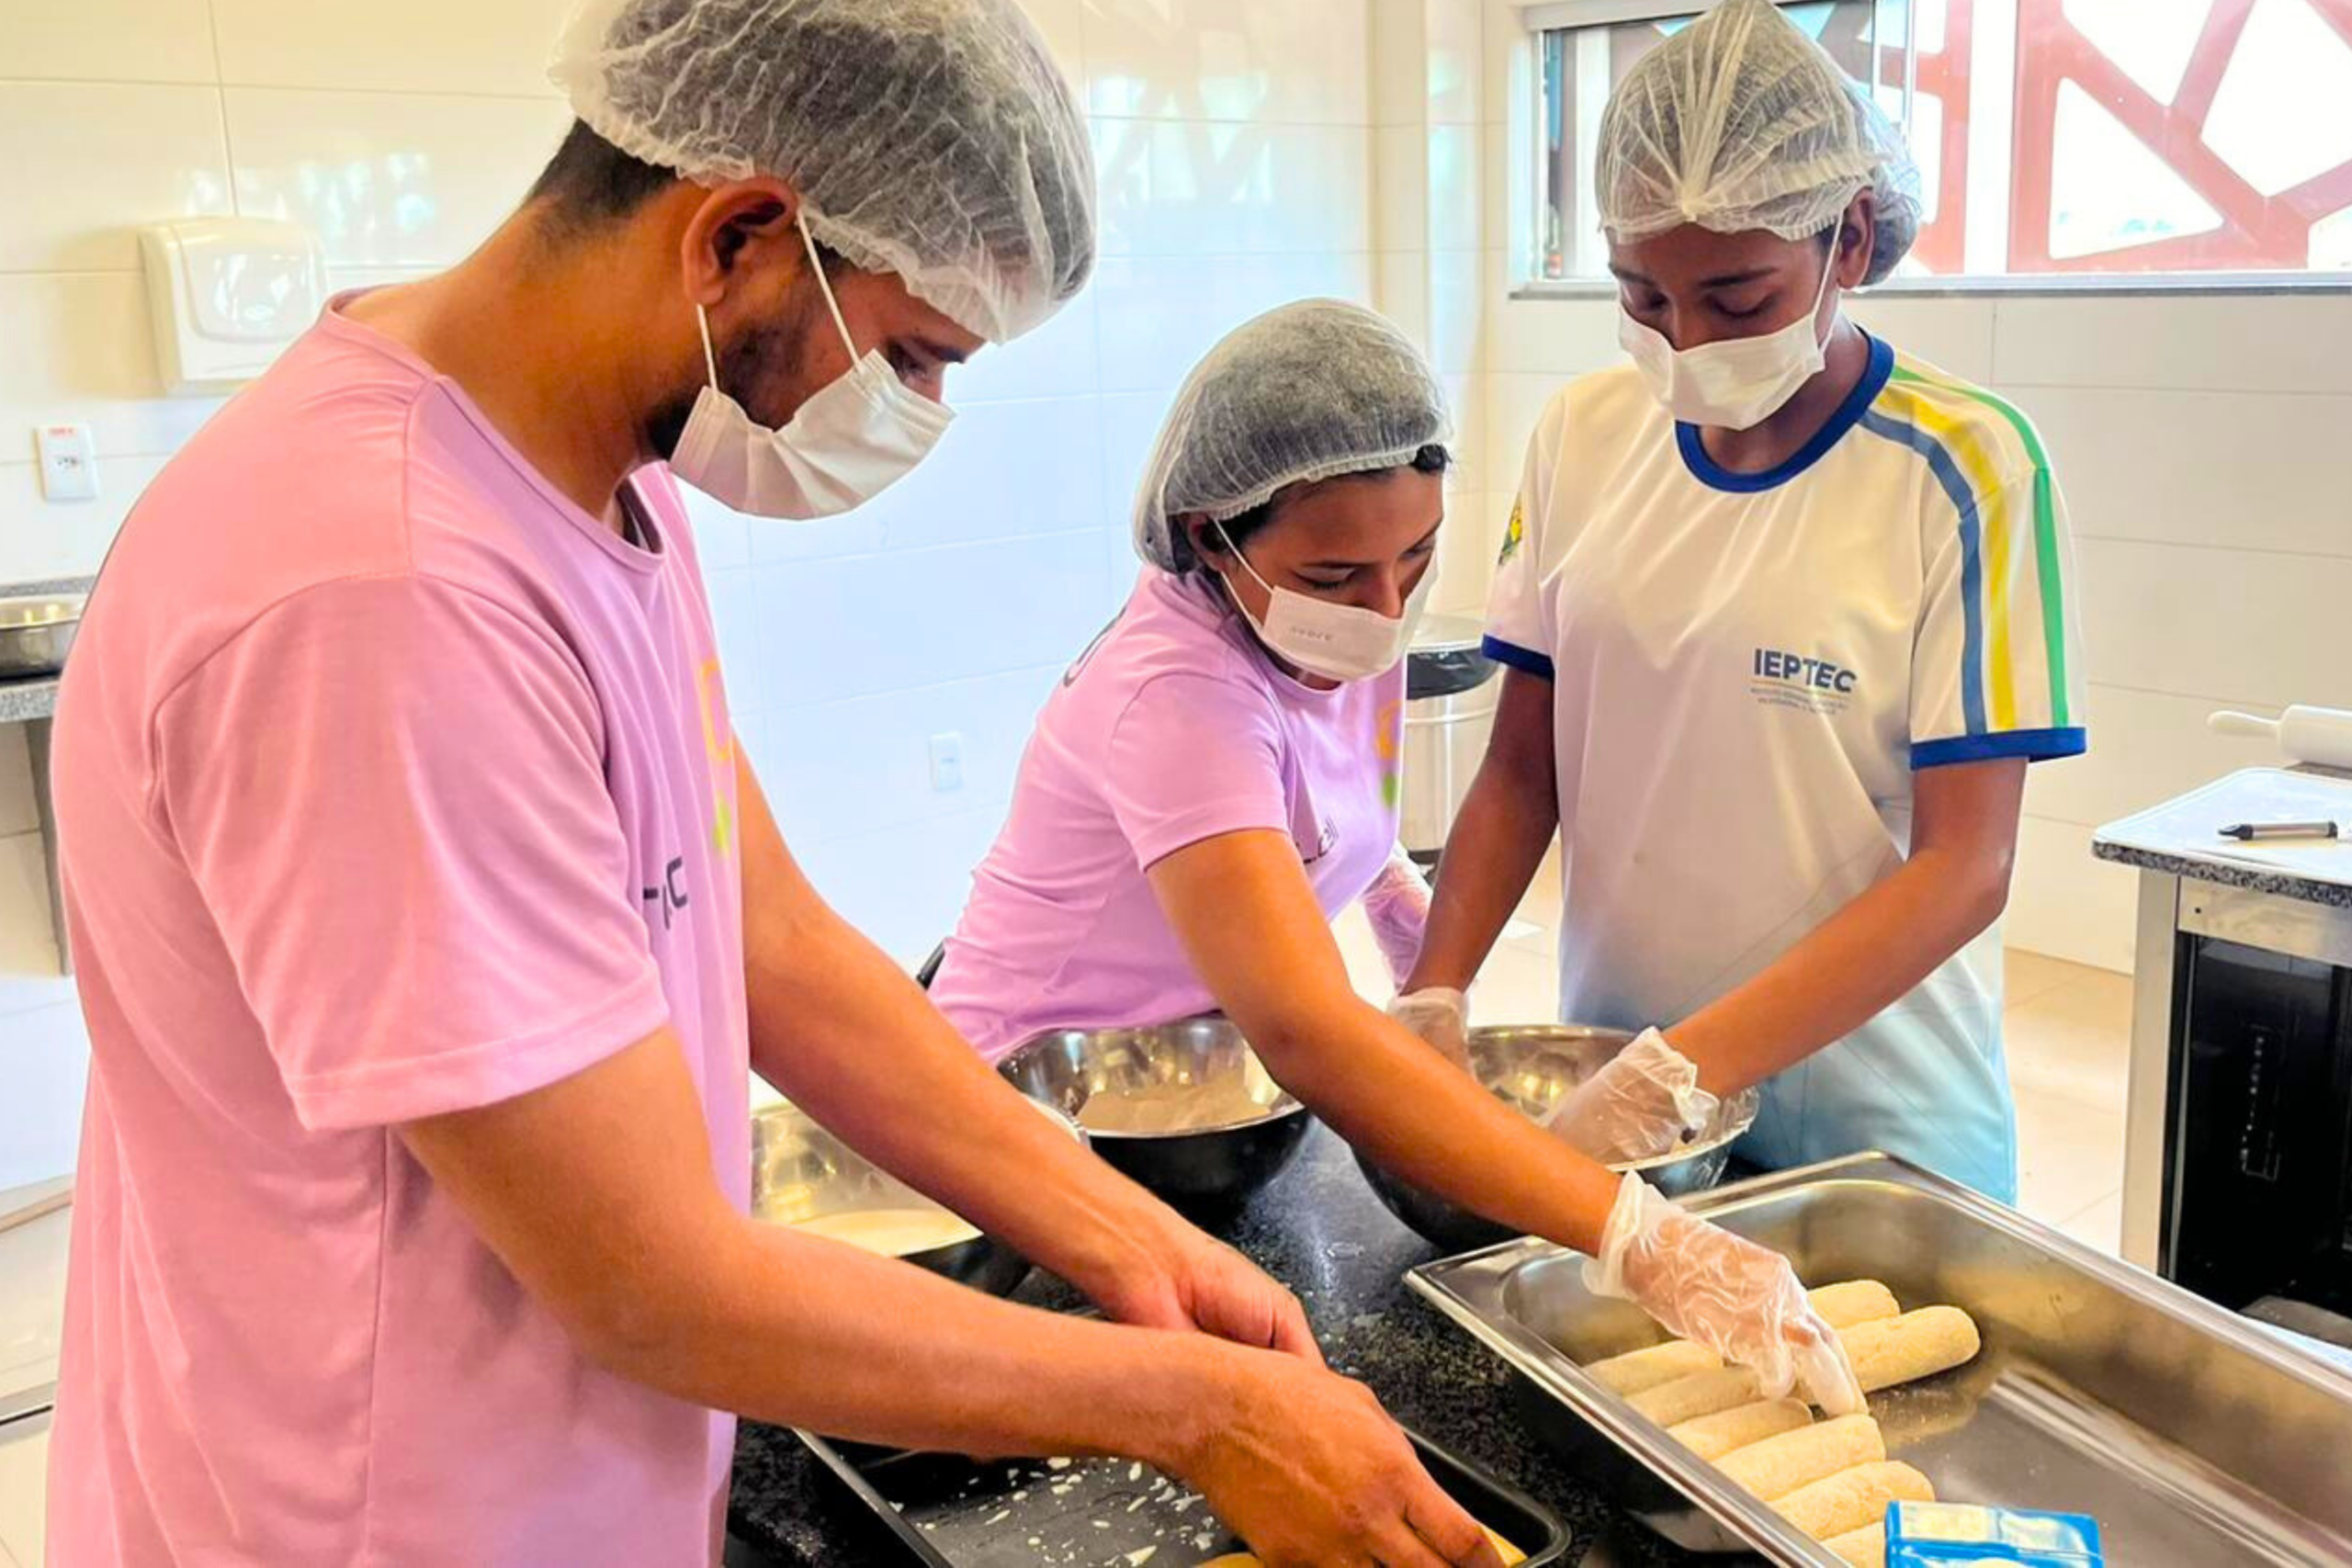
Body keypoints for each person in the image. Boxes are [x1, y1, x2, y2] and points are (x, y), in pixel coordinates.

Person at [44, 4, 1514, 1563]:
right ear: (738, 237)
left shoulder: (598, 477)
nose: (922, 414)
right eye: (915, 355)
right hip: (362, 1515)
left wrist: (1134, 1241)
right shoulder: (382, 590)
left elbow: (772, 938)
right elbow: (646, 1276)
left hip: (569, 1486)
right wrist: (1201, 1411)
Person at [930, 298, 1861, 1421]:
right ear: (1208, 535)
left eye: (1415, 557)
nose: (1382, 610)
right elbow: (1303, 1028)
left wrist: (1429, 981)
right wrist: (1638, 1236)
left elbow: (1342, 831)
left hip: (1194, 1113)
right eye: (1334, 577)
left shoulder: (1337, 634)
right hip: (1029, 1114)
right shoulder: (1176, 695)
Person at [1396, 0, 2089, 1203]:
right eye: (1642, 298)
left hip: (1874, 1130)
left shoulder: (1967, 469)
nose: (1685, 342)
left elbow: (1965, 866)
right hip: (1618, 1097)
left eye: (1737, 298)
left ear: (1849, 239)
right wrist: (1434, 991)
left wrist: (1686, 1069)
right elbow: (1521, 767)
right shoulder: (1582, 435)